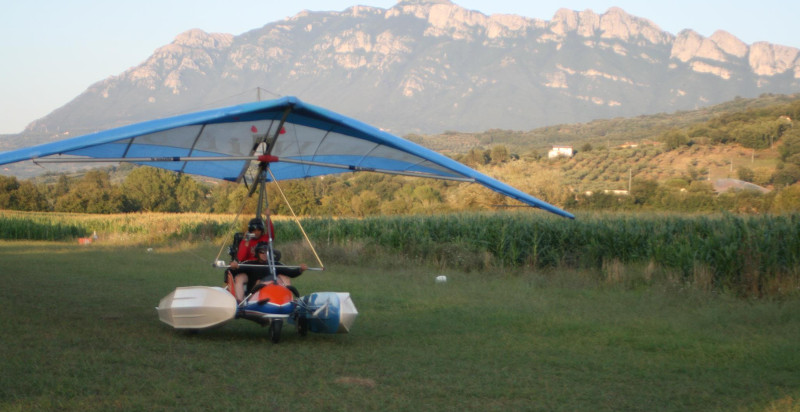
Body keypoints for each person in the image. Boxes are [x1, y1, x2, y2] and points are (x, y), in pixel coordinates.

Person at [226, 243, 308, 302]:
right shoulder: (251, 264)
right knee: (240, 277)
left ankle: (288, 300)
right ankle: (240, 301)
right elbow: (235, 271)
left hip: (274, 293)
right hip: (255, 293)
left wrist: (300, 269)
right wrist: (234, 267)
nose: (264, 254)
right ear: (257, 253)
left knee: (285, 278)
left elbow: (291, 273)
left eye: (267, 252)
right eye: (262, 252)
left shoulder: (275, 264)